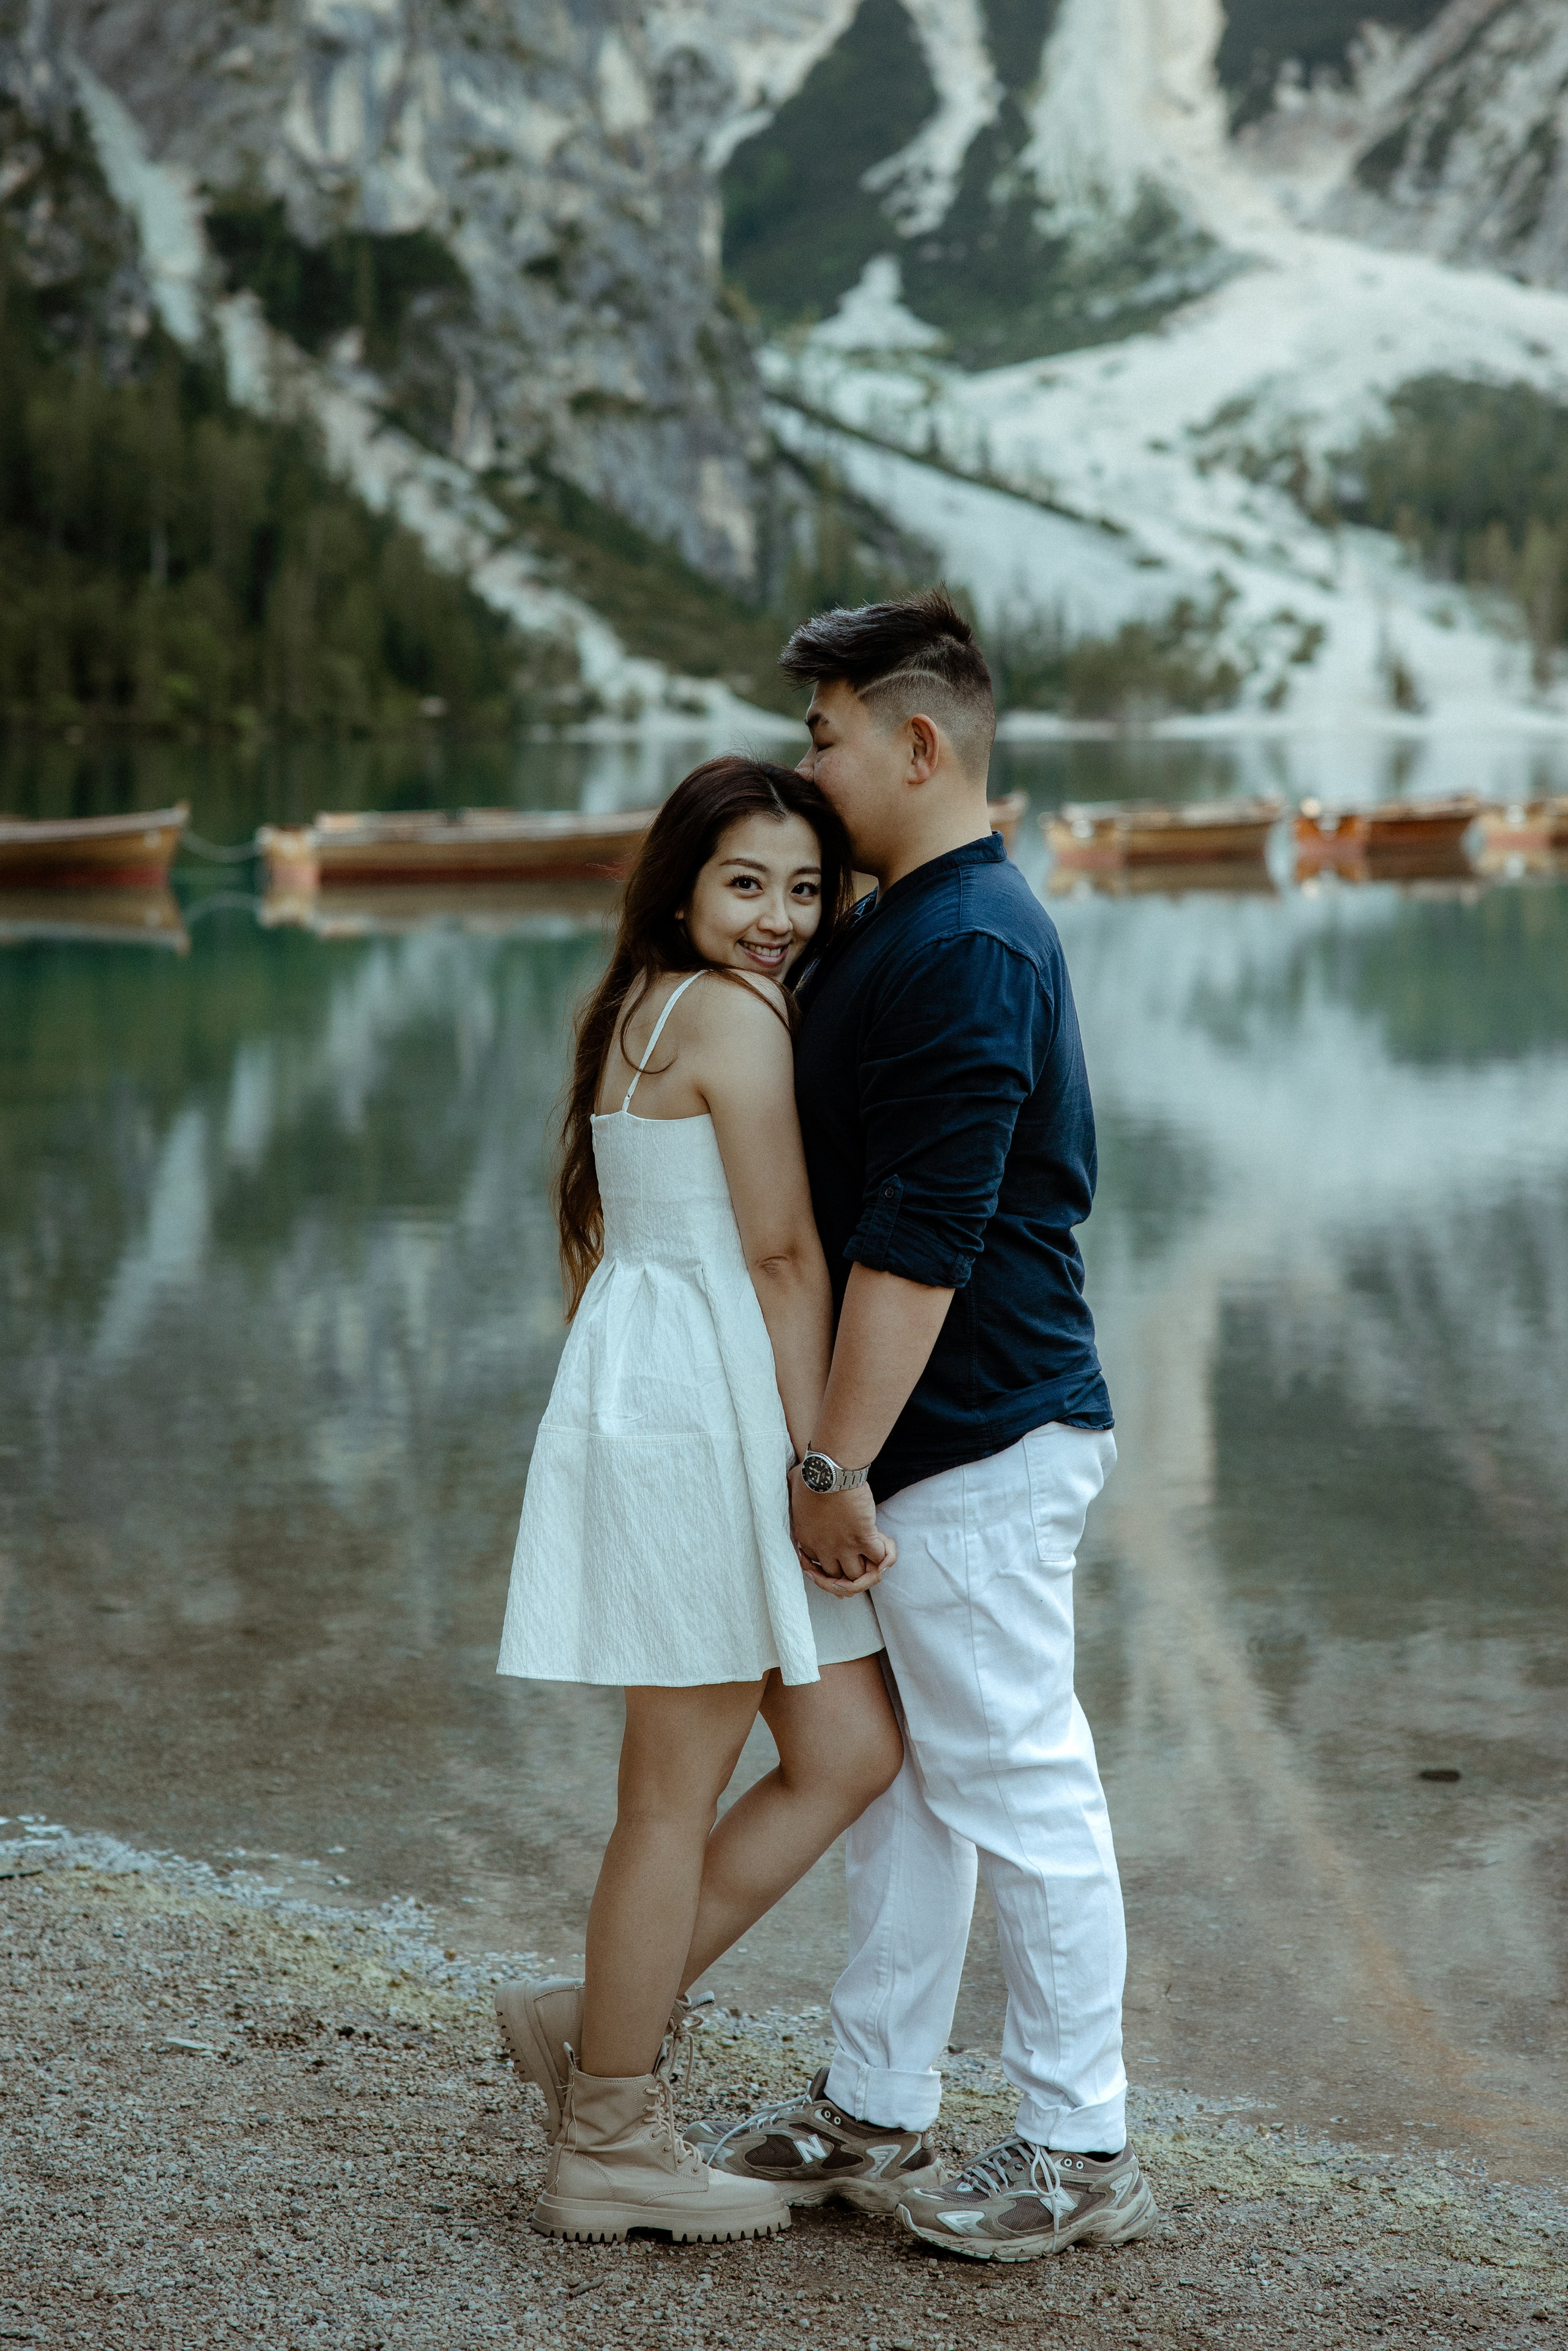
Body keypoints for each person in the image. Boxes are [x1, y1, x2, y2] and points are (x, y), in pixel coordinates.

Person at [698, 591, 1158, 2261]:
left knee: (1018, 1777)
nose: (808, 769)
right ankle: (875, 2099)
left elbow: (923, 1238)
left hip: (973, 1431)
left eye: (823, 738)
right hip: (920, 1432)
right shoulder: (908, 919)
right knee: (911, 1788)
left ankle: (1079, 2140)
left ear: (914, 742)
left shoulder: (967, 941)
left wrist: (832, 1462)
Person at [492, 755, 909, 2245]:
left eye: (804, 887)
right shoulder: (729, 1015)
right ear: (680, 885)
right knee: (669, 1794)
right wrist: (826, 1467)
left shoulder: (645, 1000)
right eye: (746, 882)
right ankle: (610, 2135)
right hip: (708, 1418)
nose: (778, 915)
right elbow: (783, 1256)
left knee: (848, 1746)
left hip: (669, 1388)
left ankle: (592, 2014)